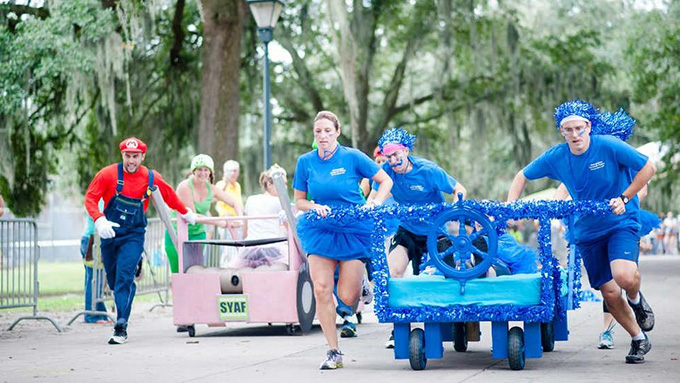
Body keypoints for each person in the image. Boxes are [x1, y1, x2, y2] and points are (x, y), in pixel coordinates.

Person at [507, 100, 656, 364]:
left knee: (623, 276)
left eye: (579, 128)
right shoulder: (557, 156)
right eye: (568, 130)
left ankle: (635, 298)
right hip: (587, 231)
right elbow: (522, 176)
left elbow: (648, 167)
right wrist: (511, 206)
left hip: (621, 221)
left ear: (588, 126)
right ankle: (638, 338)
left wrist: (624, 197)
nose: (575, 135)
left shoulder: (608, 145)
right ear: (562, 132)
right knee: (609, 293)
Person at [293, 111, 392, 370]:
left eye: (328, 130)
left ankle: (359, 285)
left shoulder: (352, 157)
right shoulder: (305, 162)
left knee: (347, 299)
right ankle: (333, 352)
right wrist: (313, 207)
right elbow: (299, 201)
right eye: (318, 132)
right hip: (321, 230)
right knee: (322, 289)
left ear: (337, 132)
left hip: (354, 229)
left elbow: (385, 180)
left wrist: (374, 202)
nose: (323, 136)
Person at [84, 137, 196, 345]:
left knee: (124, 277)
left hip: (134, 234)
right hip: (110, 233)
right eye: (128, 156)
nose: (131, 161)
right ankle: (126, 294)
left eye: (135, 156)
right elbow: (90, 198)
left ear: (143, 156)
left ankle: (120, 326)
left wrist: (184, 212)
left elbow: (169, 195)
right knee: (114, 279)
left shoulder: (151, 177)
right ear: (122, 156)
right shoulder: (107, 174)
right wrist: (99, 220)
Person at [365, 128, 467, 348]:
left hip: (436, 232)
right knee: (393, 272)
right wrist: (369, 208)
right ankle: (398, 327)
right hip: (407, 230)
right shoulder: (385, 171)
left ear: (406, 151)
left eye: (396, 155)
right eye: (388, 156)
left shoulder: (429, 170)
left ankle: (450, 322)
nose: (393, 160)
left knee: (443, 277)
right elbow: (374, 197)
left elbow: (459, 189)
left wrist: (457, 208)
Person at [164, 154, 242, 274]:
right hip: (177, 234)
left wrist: (240, 219)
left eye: (206, 170)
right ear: (194, 171)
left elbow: (234, 202)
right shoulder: (184, 186)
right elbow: (192, 216)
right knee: (178, 274)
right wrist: (219, 222)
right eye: (199, 169)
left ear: (210, 172)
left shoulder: (212, 188)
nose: (203, 173)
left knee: (194, 273)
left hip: (197, 235)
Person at [230, 164, 288, 268]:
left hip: (249, 249)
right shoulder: (280, 202)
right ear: (270, 185)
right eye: (282, 184)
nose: (285, 188)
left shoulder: (251, 199)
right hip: (272, 248)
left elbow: (245, 232)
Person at [80, 213, 109, 324]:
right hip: (92, 240)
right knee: (93, 280)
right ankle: (91, 315)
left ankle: (101, 313)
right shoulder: (99, 198)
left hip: (95, 239)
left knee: (97, 280)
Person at [215, 160, 244, 265]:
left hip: (237, 222)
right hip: (226, 223)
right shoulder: (221, 184)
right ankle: (225, 271)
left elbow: (238, 203)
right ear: (225, 172)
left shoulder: (237, 185)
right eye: (230, 171)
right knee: (227, 250)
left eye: (235, 171)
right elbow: (217, 203)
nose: (233, 173)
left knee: (237, 249)